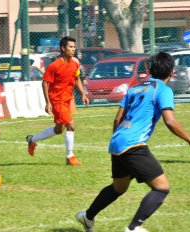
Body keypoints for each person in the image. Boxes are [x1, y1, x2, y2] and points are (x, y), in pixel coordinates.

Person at [76, 52, 190, 232]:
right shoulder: (164, 90)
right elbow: (170, 121)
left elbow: (117, 120)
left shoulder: (134, 88)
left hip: (117, 141)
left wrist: (119, 141)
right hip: (133, 144)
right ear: (171, 72)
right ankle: (133, 228)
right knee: (161, 188)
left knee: (118, 188)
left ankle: (87, 216)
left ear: (151, 70)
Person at [26, 36, 89, 165]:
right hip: (57, 100)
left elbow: (77, 78)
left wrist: (83, 93)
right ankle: (70, 157)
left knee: (59, 130)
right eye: (70, 47)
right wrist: (48, 102)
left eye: (74, 47)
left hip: (67, 99)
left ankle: (32, 140)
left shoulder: (75, 63)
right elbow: (45, 83)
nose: (73, 49)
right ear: (63, 48)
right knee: (71, 125)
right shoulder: (54, 66)